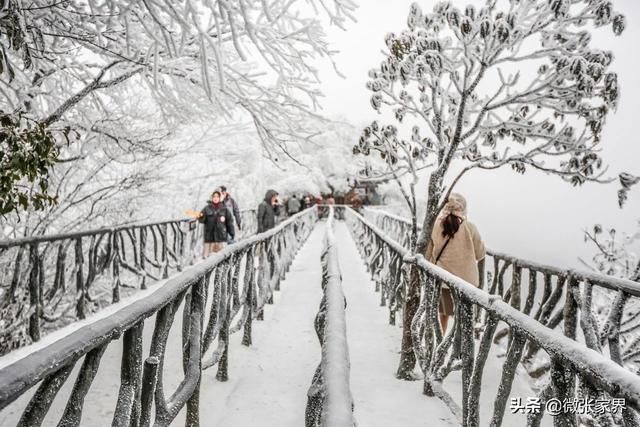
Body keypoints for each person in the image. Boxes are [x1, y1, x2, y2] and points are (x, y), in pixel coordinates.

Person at [426, 193, 486, 334]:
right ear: (463, 208)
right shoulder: (470, 227)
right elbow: (480, 254)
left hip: (444, 280)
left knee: (444, 313)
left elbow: (427, 254)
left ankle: (442, 338)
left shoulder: (436, 226)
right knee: (463, 317)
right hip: (467, 284)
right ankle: (459, 348)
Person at [198, 191, 235, 257]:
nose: (215, 198)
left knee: (221, 258)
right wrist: (200, 216)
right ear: (211, 198)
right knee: (208, 259)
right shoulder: (206, 208)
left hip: (221, 238)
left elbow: (230, 223)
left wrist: (232, 233)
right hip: (209, 239)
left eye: (217, 196)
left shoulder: (225, 209)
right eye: (214, 196)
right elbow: (201, 220)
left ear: (220, 198)